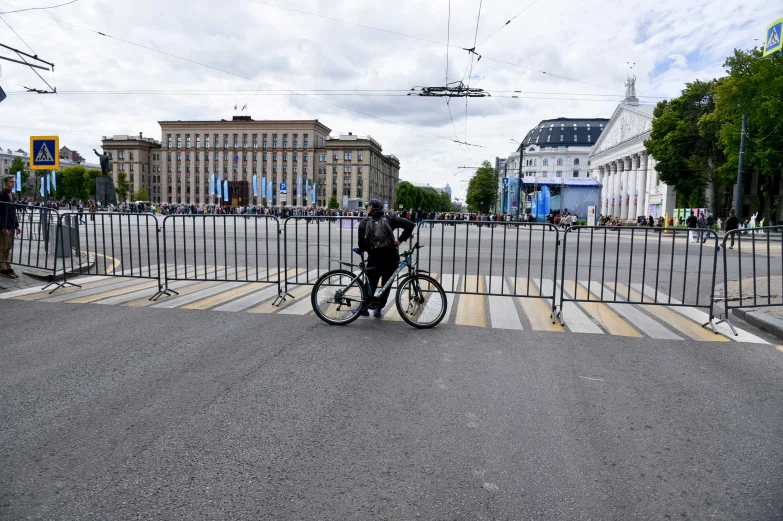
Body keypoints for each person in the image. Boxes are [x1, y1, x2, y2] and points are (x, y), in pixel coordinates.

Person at [357, 199, 414, 318]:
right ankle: (378, 308)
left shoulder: (364, 222)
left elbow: (362, 246)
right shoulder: (390, 218)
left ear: (371, 208)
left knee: (371, 282)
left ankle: (365, 307)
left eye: (368, 206)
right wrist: (399, 240)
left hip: (374, 259)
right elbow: (410, 225)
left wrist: (371, 248)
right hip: (391, 257)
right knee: (386, 284)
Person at [0, 175, 22, 278]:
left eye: (14, 181)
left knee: (8, 247)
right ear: (6, 183)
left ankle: (8, 266)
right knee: (2, 248)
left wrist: (17, 225)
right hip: (4, 225)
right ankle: (2, 268)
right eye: (11, 181)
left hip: (11, 225)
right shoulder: (1, 195)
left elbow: (13, 211)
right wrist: (2, 227)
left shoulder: (13, 195)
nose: (13, 183)